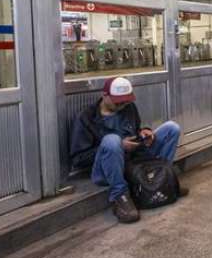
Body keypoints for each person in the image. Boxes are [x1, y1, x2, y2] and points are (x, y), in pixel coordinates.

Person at [70, 76, 183, 223]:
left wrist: (143, 133)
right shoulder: (85, 117)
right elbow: (78, 159)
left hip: (134, 162)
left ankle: (163, 179)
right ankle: (120, 195)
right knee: (112, 141)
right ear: (105, 96)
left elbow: (135, 131)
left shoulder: (128, 108)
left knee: (171, 128)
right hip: (107, 169)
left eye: (126, 101)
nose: (122, 104)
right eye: (118, 102)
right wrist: (119, 147)